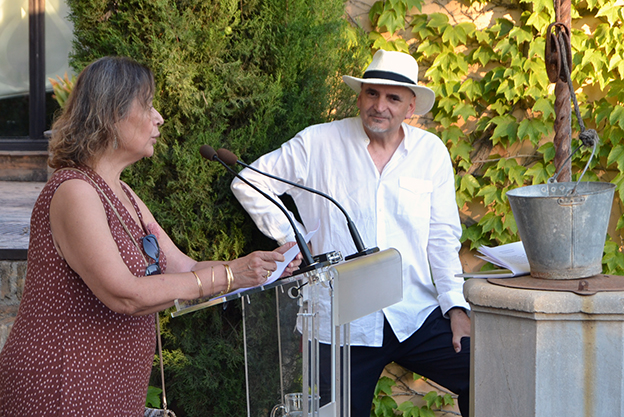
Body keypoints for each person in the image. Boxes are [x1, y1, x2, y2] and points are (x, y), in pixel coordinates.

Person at [0, 56, 300, 417]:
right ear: (111, 113)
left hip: (109, 386)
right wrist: (229, 274)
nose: (159, 117)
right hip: (61, 385)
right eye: (148, 105)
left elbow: (185, 267)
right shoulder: (74, 191)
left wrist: (259, 268)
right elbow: (123, 293)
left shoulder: (124, 194)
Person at [230, 49, 471, 416]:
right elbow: (248, 181)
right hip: (339, 324)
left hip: (413, 314)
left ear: (410, 107)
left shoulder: (431, 152)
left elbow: (441, 236)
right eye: (372, 93)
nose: (380, 105)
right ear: (359, 97)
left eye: (393, 98)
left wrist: (455, 305)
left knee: (486, 374)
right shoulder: (317, 143)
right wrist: (292, 238)